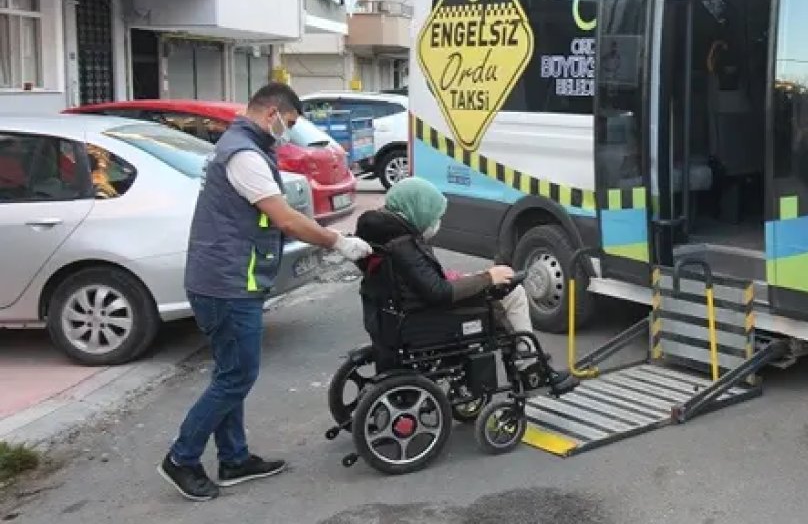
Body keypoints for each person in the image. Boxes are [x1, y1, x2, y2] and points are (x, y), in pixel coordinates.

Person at [159, 83, 373, 502]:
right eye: (289, 123)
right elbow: (285, 219)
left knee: (229, 374)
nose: (288, 132)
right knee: (237, 376)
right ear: (272, 111)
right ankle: (181, 458)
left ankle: (234, 459)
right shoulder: (243, 155)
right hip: (227, 283)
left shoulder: (241, 146)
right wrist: (337, 242)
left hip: (226, 278)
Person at [353, 177, 574, 392]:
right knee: (512, 292)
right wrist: (488, 278)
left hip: (395, 314)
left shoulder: (380, 237)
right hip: (426, 316)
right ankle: (529, 368)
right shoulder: (403, 245)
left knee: (494, 282)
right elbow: (438, 292)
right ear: (417, 210)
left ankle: (526, 361)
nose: (435, 223)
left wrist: (468, 277)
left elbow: (418, 280)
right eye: (433, 216)